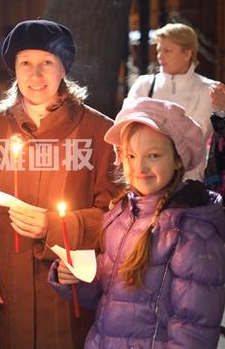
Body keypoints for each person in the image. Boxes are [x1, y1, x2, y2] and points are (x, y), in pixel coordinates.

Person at [0, 19, 119, 348]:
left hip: (69, 295)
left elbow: (117, 216)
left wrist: (57, 225)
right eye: (26, 64)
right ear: (14, 70)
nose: (35, 75)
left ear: (63, 68)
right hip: (6, 293)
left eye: (47, 63)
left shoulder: (99, 133)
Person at [50, 97, 225, 348]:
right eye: (131, 155)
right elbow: (108, 292)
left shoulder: (193, 234)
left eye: (153, 155)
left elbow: (193, 331)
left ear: (177, 159)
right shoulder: (122, 214)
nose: (139, 167)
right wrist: (74, 277)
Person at [124, 22, 217, 180]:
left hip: (189, 179)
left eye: (167, 51)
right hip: (143, 175)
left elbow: (197, 136)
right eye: (159, 50)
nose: (160, 56)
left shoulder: (208, 89)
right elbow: (126, 125)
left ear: (187, 54)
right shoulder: (144, 85)